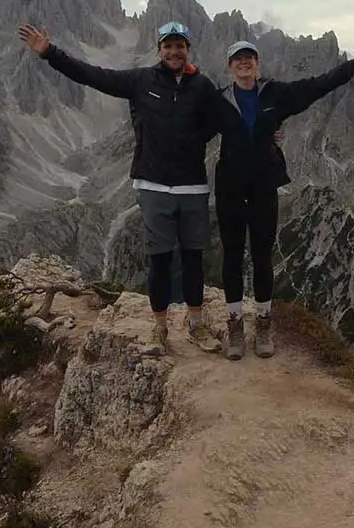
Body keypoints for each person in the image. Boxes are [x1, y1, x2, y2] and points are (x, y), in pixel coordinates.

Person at [17, 19, 222, 352]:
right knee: (159, 260)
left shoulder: (202, 86)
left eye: (180, 46)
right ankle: (159, 328)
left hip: (193, 186)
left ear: (188, 49)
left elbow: (224, 121)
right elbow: (93, 75)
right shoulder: (141, 80)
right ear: (159, 50)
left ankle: (196, 326)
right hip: (153, 185)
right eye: (168, 46)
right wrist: (50, 53)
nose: (174, 51)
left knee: (193, 259)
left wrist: (263, 131)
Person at [210, 39, 354, 359]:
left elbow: (317, 86)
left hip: (263, 186)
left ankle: (263, 323)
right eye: (237, 59)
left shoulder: (275, 93)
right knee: (232, 257)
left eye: (249, 58)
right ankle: (235, 327)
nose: (244, 63)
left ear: (257, 63)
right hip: (229, 189)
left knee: (262, 256)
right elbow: (193, 127)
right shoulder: (218, 100)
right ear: (229, 66)